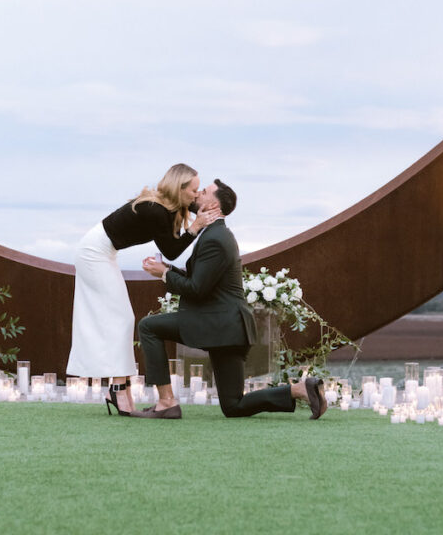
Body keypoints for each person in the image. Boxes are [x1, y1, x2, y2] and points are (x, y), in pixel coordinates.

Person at [136, 179, 328, 421]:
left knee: (148, 327)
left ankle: (166, 402)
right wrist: (167, 268)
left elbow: (196, 289)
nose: (196, 194)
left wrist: (163, 274)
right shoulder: (216, 235)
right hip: (227, 327)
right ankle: (300, 389)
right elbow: (202, 280)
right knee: (233, 405)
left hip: (219, 324)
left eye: (203, 192)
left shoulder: (215, 239)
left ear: (214, 204)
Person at [66, 164, 221, 415]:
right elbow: (172, 250)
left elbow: (185, 225)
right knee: (122, 318)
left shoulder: (167, 207)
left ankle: (119, 389)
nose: (196, 195)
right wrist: (196, 227)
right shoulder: (155, 211)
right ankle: (118, 390)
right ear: (179, 188)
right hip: (93, 254)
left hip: (104, 254)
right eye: (193, 190)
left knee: (121, 318)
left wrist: (206, 210)